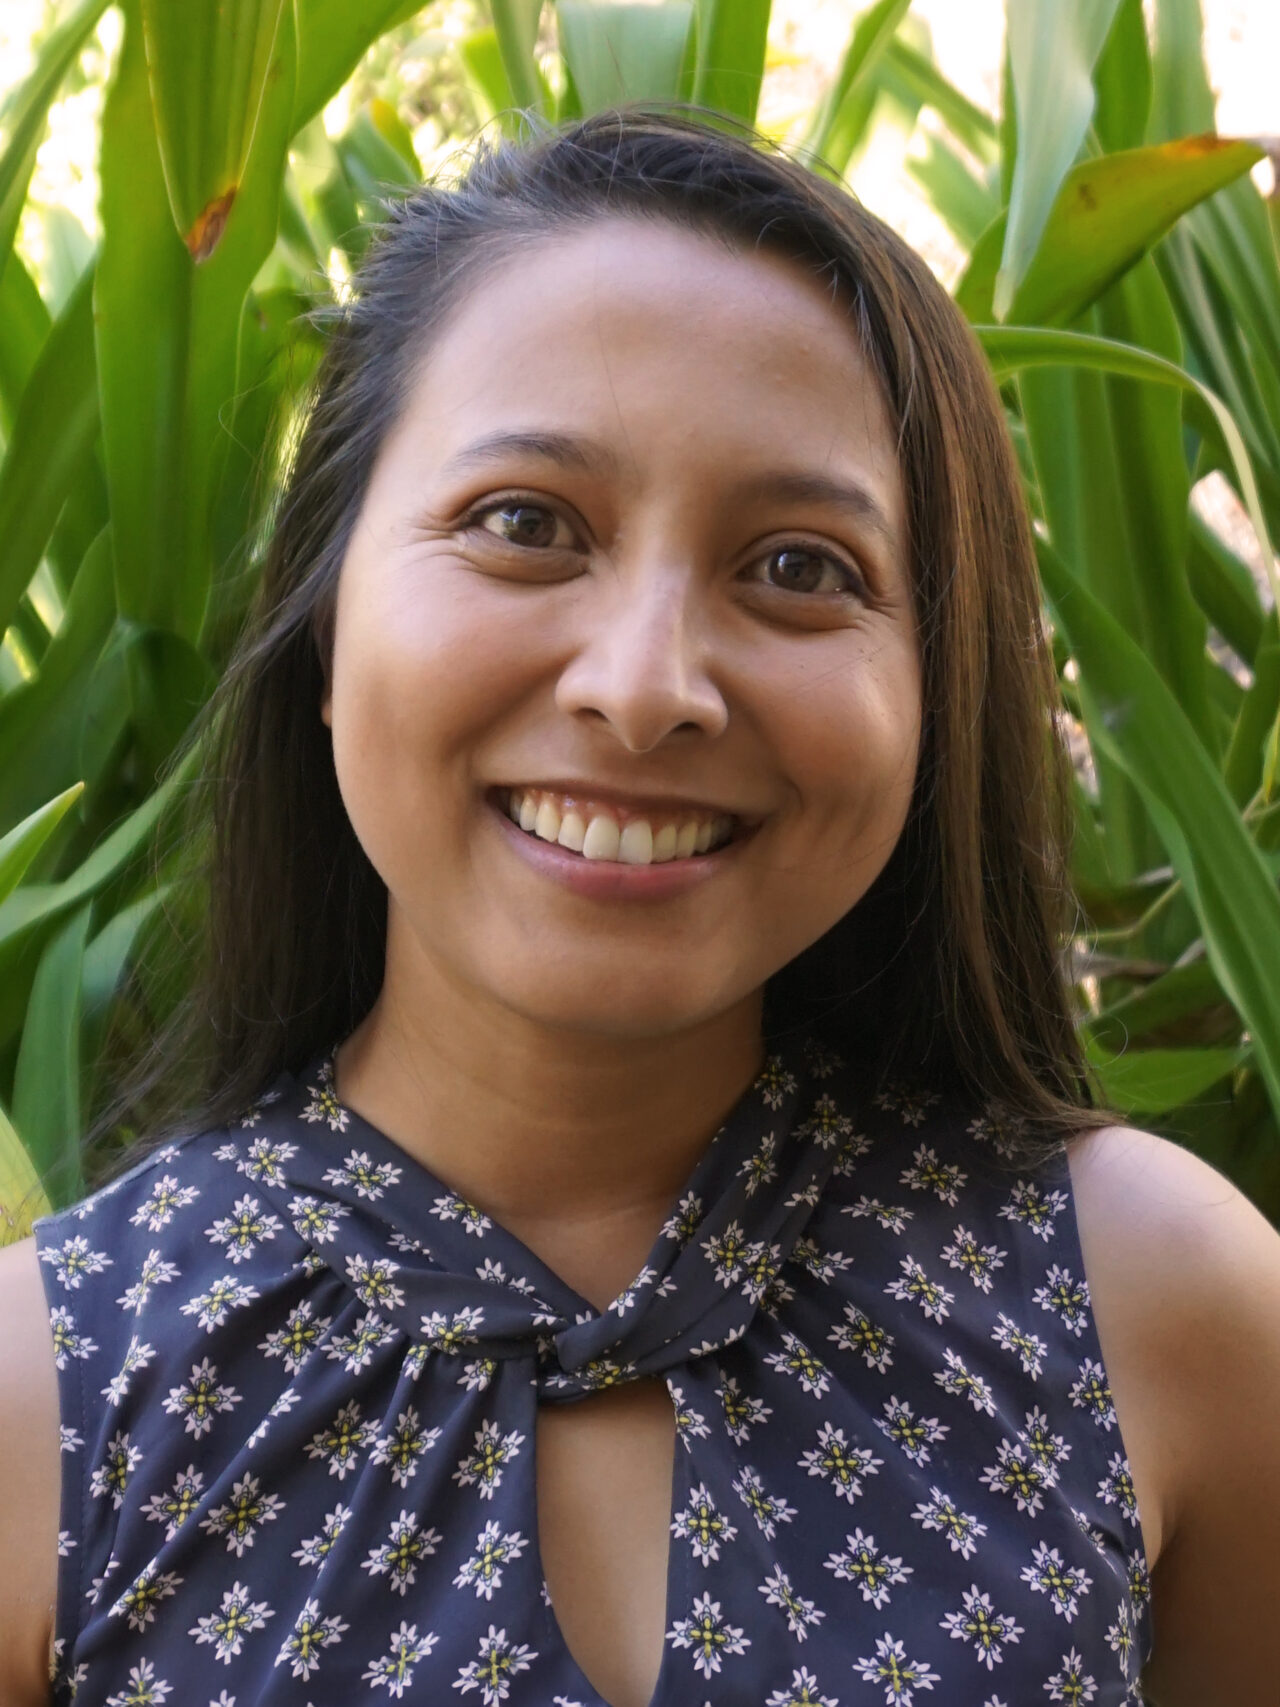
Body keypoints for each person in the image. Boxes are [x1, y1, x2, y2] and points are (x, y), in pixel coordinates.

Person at [0, 107, 1276, 1707]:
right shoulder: (48, 1406)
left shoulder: (1158, 1304)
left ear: (932, 689)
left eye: (799, 567)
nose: (646, 684)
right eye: (525, 524)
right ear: (326, 620)